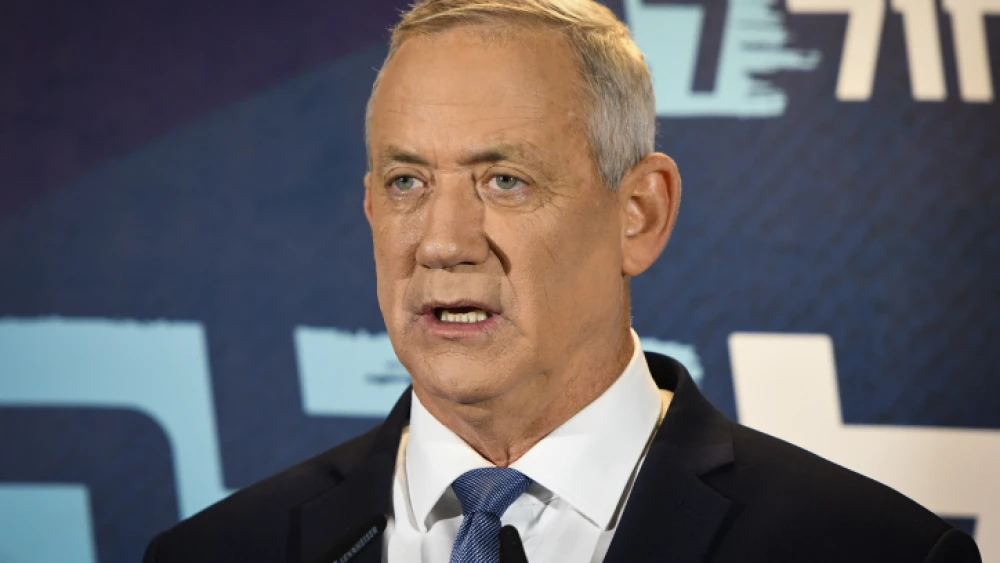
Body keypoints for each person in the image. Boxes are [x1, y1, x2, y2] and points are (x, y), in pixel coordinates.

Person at [142, 1, 982, 562]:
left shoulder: (871, 550)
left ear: (639, 213)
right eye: (407, 182)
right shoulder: (215, 553)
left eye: (505, 180)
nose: (443, 242)